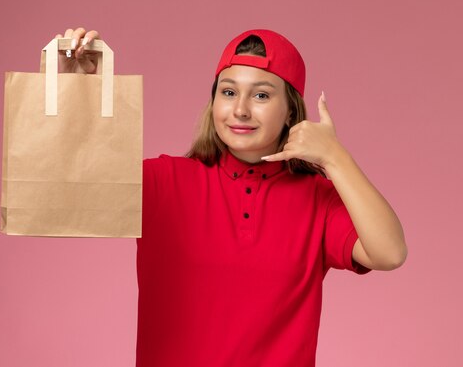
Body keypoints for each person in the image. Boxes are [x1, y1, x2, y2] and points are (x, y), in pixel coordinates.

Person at [53, 27, 408, 367]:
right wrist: (77, 90)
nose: (240, 109)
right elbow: (70, 189)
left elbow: (389, 253)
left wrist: (335, 157)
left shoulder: (318, 200)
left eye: (261, 95)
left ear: (290, 112)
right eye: (228, 92)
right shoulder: (163, 182)